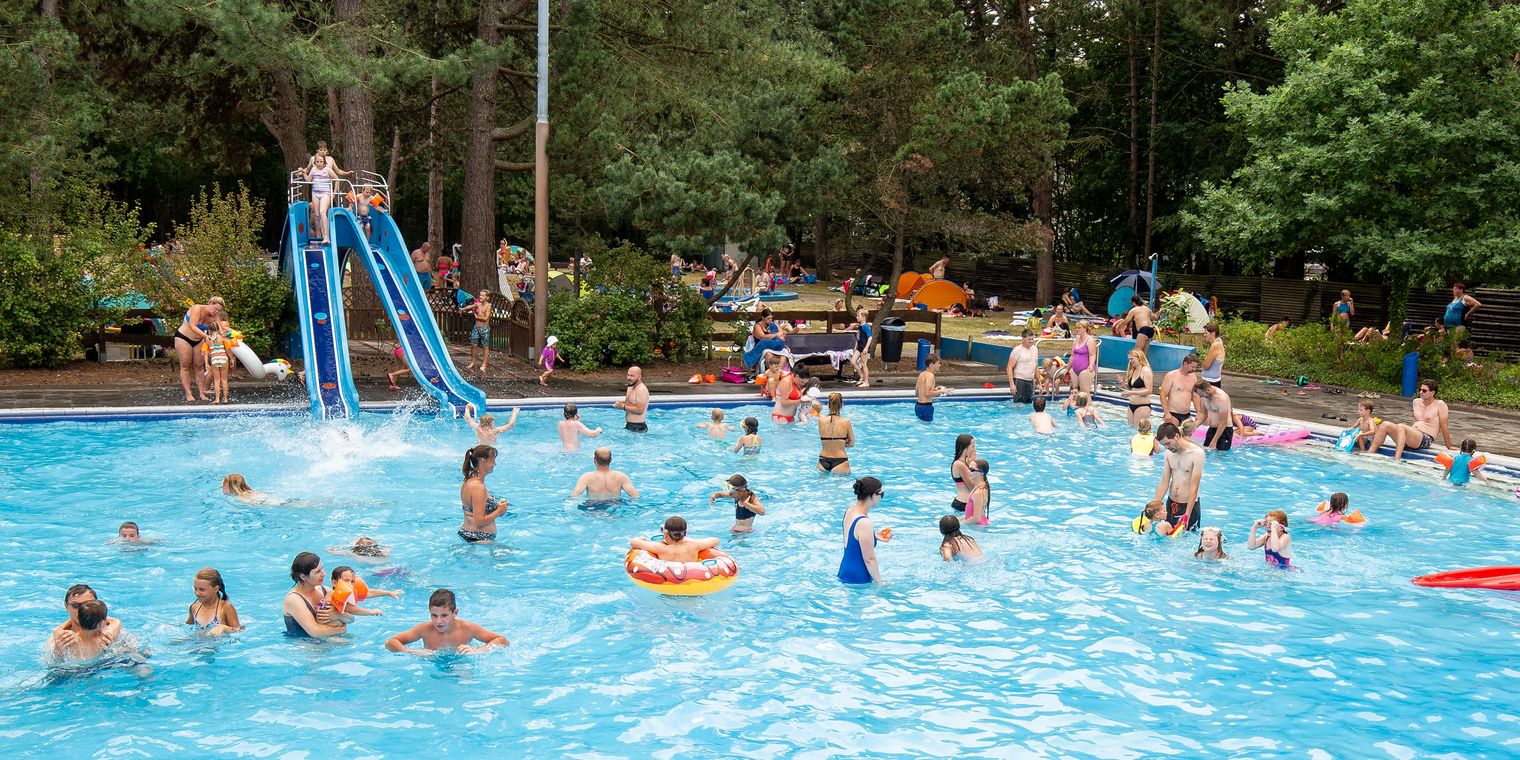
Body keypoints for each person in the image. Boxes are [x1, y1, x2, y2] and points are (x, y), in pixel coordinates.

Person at [385, 589, 509, 656]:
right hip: (432, 662)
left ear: (455, 613)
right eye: (434, 615)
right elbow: (390, 643)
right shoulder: (424, 629)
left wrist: (478, 650)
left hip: (461, 663)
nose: (438, 621)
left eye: (444, 615)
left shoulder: (468, 628)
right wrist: (412, 651)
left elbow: (503, 640)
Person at [1366, 378, 1453, 459]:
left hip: (1425, 439)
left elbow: (1444, 426)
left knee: (1401, 426)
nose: (1421, 392)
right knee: (1385, 424)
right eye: (1420, 390)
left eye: (1424, 390)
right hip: (1410, 436)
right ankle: (1369, 454)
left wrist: (1449, 446)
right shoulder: (1416, 402)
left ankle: (1396, 458)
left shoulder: (1440, 404)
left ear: (1433, 393)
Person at [1152, 422, 1204, 532]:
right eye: (1164, 445)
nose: (1166, 448)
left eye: (1168, 443)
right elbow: (1164, 482)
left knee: (1186, 542)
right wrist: (1152, 508)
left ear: (1176, 436)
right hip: (1171, 504)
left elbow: (1194, 487)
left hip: (1189, 506)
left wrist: (1187, 515)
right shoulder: (1168, 453)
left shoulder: (1197, 454)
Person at [173, 297, 226, 403]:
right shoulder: (197, 308)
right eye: (216, 309)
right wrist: (206, 336)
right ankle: (188, 393)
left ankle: (202, 393)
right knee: (186, 365)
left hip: (199, 340)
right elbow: (192, 325)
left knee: (199, 366)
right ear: (210, 303)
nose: (217, 312)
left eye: (219, 310)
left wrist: (231, 333)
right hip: (184, 338)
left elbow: (221, 329)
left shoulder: (215, 316)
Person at [282, 552, 347, 638]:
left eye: (322, 569)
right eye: (318, 572)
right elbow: (315, 631)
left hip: (327, 640)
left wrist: (339, 615)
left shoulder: (326, 591)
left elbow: (351, 618)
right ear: (303, 577)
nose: (324, 574)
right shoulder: (293, 599)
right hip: (304, 646)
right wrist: (341, 630)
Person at [838, 477, 890, 585]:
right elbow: (869, 559)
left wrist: (873, 536)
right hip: (859, 578)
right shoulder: (864, 522)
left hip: (844, 571)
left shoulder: (850, 511)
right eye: (882, 494)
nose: (881, 497)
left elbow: (854, 540)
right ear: (874, 495)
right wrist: (880, 583)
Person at [48, 584, 122, 657]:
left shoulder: (111, 629)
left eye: (88, 604)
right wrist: (57, 652)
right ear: (66, 606)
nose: (82, 609)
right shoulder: (59, 639)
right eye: (76, 606)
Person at [458, 445, 506, 543]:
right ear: (483, 461)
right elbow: (479, 521)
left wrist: (497, 508)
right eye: (493, 460)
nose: (495, 464)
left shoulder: (469, 480)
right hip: (479, 540)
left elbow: (473, 510)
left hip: (471, 537)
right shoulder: (478, 487)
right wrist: (499, 511)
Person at [630, 515, 725, 563]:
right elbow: (716, 540)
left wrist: (642, 538)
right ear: (685, 533)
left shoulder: (661, 548)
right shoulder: (694, 546)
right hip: (693, 583)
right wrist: (689, 540)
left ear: (665, 534)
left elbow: (633, 542)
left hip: (669, 585)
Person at [185, 568, 241, 635]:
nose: (197, 593)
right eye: (195, 588)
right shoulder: (194, 607)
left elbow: (240, 630)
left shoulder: (225, 607)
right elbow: (186, 627)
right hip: (197, 641)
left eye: (202, 589)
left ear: (216, 589)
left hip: (218, 644)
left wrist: (224, 628)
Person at [330, 566, 403, 617]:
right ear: (335, 583)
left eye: (352, 581)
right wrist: (371, 612)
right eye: (346, 580)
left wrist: (389, 593)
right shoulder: (334, 595)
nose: (350, 584)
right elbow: (349, 609)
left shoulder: (349, 592)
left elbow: (368, 593)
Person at [571, 448, 640, 500]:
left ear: (595, 460)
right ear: (610, 460)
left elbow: (575, 495)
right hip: (615, 505)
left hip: (593, 507)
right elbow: (635, 496)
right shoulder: (621, 476)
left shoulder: (587, 477)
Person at [300, 155, 337, 243]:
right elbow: (309, 180)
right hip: (315, 193)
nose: (319, 164)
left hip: (325, 193)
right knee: (316, 215)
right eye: (317, 162)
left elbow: (337, 179)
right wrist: (304, 172)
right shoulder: (313, 169)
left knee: (322, 212)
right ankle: (319, 235)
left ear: (324, 162)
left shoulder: (328, 170)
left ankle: (326, 236)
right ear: (315, 162)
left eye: (321, 162)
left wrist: (334, 193)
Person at [817, 392, 855, 474]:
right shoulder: (846, 422)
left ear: (828, 405)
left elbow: (827, 440)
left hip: (823, 459)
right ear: (841, 405)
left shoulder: (821, 421)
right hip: (840, 460)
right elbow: (852, 443)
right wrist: (840, 443)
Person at [1159, 353, 1201, 426]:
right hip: (1172, 414)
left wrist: (1199, 412)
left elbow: (1195, 397)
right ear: (1185, 364)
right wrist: (1166, 413)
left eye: (1195, 367)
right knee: (1172, 436)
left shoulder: (1193, 377)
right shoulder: (1171, 375)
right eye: (1192, 367)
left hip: (1187, 415)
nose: (1194, 369)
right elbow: (1162, 395)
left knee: (1187, 437)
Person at [1193, 379, 1234, 451]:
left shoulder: (1221, 398)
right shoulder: (1203, 396)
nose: (1200, 397)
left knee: (1221, 455)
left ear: (1208, 390)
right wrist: (1194, 426)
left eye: (1201, 395)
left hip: (1225, 430)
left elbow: (1223, 423)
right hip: (1212, 428)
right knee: (1206, 452)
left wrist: (1214, 440)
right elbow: (1203, 414)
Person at [1121, 349, 1154, 429]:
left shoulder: (1145, 370)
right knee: (1130, 430)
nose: (1130, 361)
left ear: (1139, 358)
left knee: (1138, 431)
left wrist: (1131, 393)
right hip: (1131, 405)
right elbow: (1131, 389)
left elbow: (1149, 390)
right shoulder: (1133, 370)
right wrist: (1122, 383)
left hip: (1142, 406)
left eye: (1132, 359)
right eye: (1129, 359)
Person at [462, 290, 493, 372]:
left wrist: (476, 317)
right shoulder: (478, 304)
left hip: (484, 328)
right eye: (480, 295)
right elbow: (470, 307)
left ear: (487, 297)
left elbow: (486, 318)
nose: (480, 297)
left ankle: (484, 363)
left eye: (483, 295)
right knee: (473, 345)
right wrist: (463, 309)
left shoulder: (488, 306)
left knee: (485, 346)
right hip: (476, 327)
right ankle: (472, 362)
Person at [1006, 329, 1039, 403]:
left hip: (1030, 381)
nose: (1031, 341)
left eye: (1032, 339)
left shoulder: (1035, 349)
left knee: (1029, 404)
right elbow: (1009, 367)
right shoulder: (1017, 350)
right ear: (1023, 339)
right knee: (1019, 405)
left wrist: (1039, 382)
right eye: (1029, 339)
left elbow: (1036, 367)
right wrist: (1012, 384)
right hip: (1019, 380)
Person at [204, 320, 232, 404]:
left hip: (214, 359)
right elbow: (227, 349)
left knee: (216, 380)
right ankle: (225, 399)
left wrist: (206, 364)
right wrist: (232, 359)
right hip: (223, 358)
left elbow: (206, 352)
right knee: (224, 380)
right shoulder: (222, 337)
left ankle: (217, 399)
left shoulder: (208, 339)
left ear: (209, 329)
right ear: (218, 328)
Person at [615, 366, 650, 432]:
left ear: (639, 377)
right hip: (629, 425)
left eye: (632, 376)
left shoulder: (641, 390)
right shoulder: (630, 386)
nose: (629, 378)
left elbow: (640, 410)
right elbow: (629, 404)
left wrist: (623, 406)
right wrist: (620, 404)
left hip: (638, 427)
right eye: (628, 375)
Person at [949, 434, 977, 514]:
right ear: (965, 448)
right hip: (963, 505)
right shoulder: (960, 464)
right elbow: (972, 487)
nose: (975, 450)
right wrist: (973, 463)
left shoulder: (965, 462)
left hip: (965, 504)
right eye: (973, 446)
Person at [915, 353, 947, 422]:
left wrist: (934, 389)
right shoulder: (930, 375)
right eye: (938, 364)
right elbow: (927, 393)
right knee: (927, 428)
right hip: (926, 407)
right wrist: (941, 391)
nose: (939, 365)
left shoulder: (921, 374)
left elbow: (917, 392)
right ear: (932, 365)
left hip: (918, 406)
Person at [1068, 321, 1097, 394]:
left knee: (1085, 392)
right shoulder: (1076, 340)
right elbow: (1072, 355)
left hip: (1085, 369)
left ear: (1085, 329)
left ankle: (1088, 405)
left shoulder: (1090, 340)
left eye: (1079, 328)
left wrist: (1091, 365)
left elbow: (1092, 354)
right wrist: (1067, 368)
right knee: (1075, 391)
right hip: (1075, 369)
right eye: (1076, 328)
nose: (1077, 329)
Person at [850, 307, 875, 388]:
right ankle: (861, 375)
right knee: (853, 361)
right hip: (859, 347)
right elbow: (859, 337)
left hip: (864, 347)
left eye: (858, 316)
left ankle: (866, 381)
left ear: (863, 317)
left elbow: (870, 337)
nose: (857, 317)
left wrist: (866, 348)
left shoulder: (866, 327)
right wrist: (856, 346)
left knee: (864, 364)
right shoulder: (859, 326)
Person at [964, 458, 991, 526]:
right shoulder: (981, 486)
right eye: (968, 468)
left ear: (981, 473)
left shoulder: (978, 493)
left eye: (972, 470)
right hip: (979, 524)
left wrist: (960, 524)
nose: (968, 471)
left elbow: (976, 519)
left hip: (978, 527)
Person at [1198, 322, 1225, 389]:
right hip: (1213, 380)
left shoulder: (1215, 345)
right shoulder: (1219, 341)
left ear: (1212, 333)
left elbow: (1206, 366)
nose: (1204, 335)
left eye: (1206, 333)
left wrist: (1203, 363)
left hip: (1210, 382)